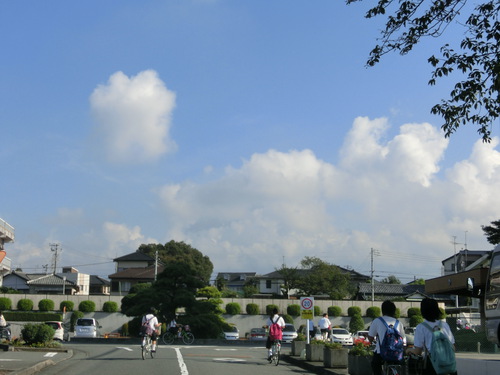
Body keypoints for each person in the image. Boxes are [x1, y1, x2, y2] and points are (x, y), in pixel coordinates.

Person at [407, 298, 457, 375]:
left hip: (432, 365)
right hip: (449, 365)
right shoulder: (444, 325)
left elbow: (418, 351)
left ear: (423, 311)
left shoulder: (421, 327)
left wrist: (408, 350)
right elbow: (453, 347)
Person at [368, 300, 406, 375]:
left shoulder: (377, 321)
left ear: (382, 310)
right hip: (396, 353)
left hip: (381, 353)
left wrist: (371, 340)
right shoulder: (399, 323)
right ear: (394, 311)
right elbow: (404, 340)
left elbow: (370, 337)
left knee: (375, 365)